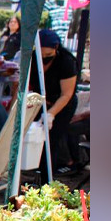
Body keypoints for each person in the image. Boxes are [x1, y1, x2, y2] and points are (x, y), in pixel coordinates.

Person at [29, 29, 79, 175]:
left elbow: (67, 94)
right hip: (43, 100)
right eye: (41, 55)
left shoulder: (66, 61)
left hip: (63, 103)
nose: (44, 58)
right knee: (35, 136)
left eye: (48, 56)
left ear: (56, 48)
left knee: (51, 140)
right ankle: (35, 171)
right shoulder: (32, 58)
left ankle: (47, 178)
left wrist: (51, 114)